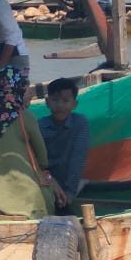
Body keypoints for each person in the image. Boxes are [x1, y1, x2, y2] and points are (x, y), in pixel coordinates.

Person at [0, 67, 55, 219]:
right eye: (27, 89)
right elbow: (42, 158)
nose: (31, 93)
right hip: (25, 198)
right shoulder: (25, 116)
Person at [38, 78, 90, 213]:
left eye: (66, 101)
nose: (60, 105)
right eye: (55, 100)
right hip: (46, 180)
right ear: (47, 102)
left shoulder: (80, 123)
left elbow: (77, 159)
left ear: (74, 104)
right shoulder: (40, 126)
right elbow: (37, 162)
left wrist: (70, 192)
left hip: (70, 182)